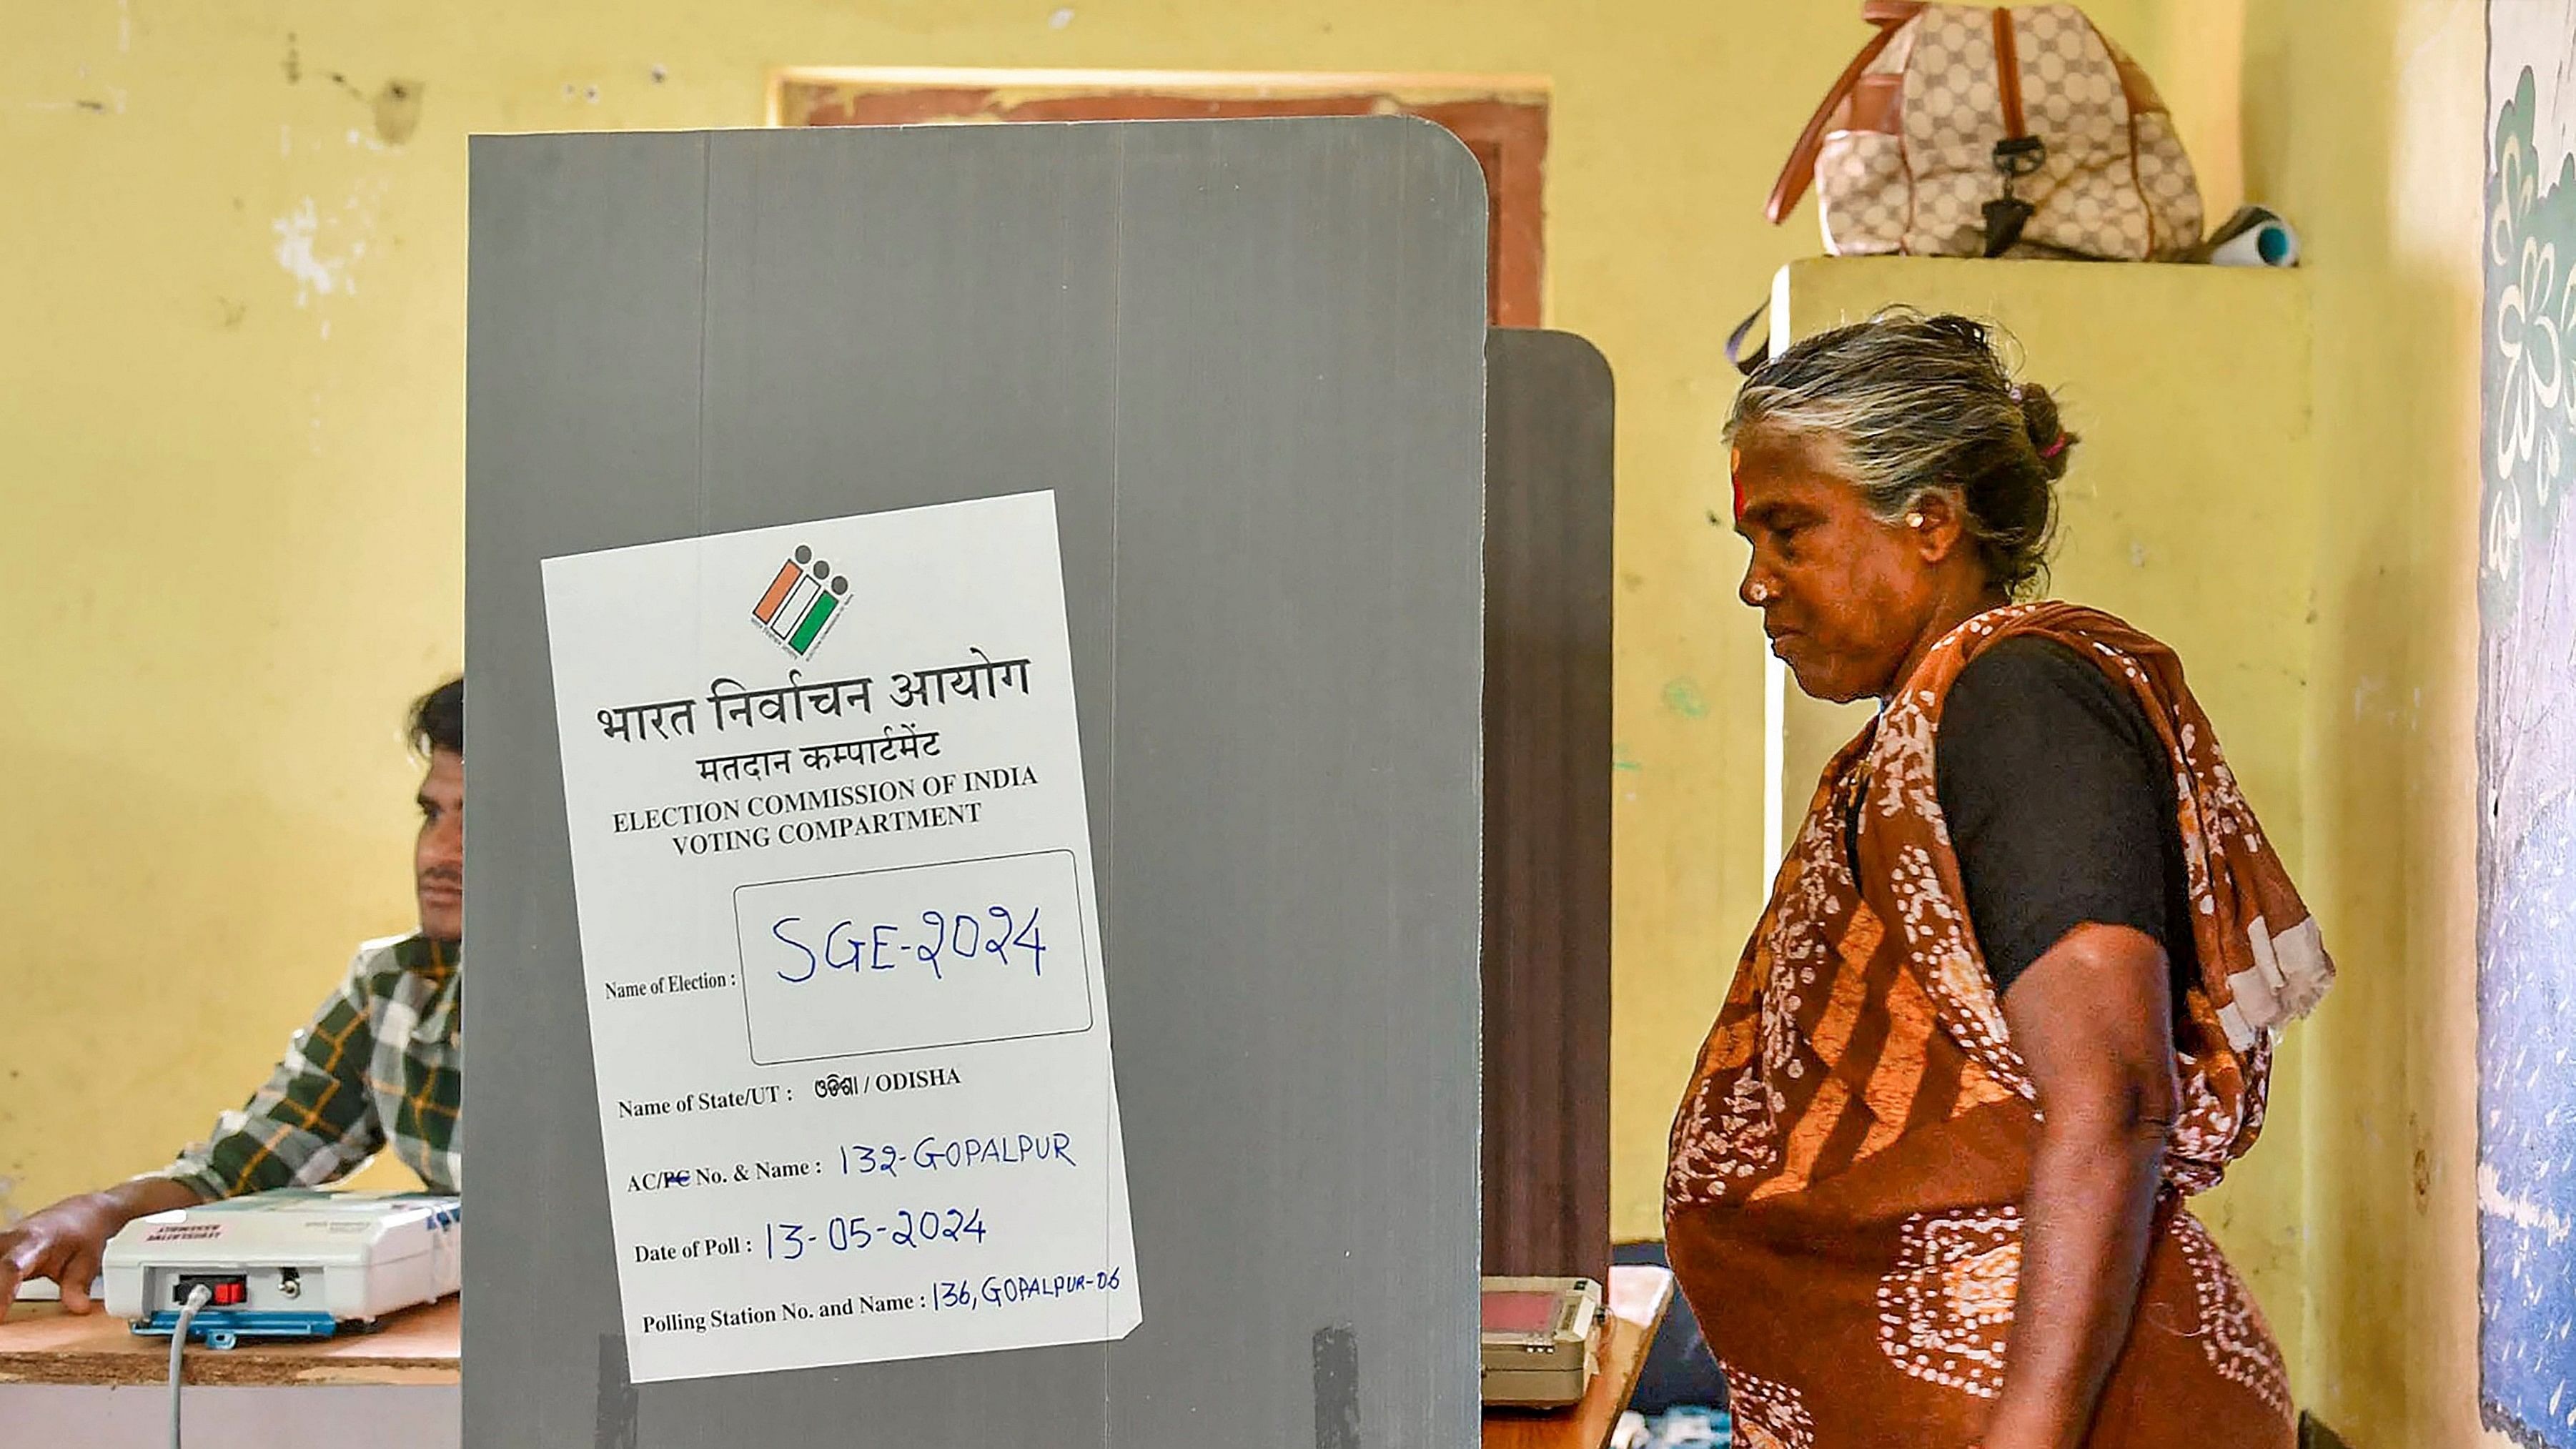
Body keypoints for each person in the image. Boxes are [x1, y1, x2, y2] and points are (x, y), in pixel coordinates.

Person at [1665, 313, 2332, 1449]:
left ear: (1930, 521)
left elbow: (2115, 1093)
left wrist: (2027, 1435)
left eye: (1788, 531)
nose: (1756, 583)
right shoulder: (1920, 735)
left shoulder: (2019, 698)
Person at [0, 677, 465, 1315]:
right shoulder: (396, 988)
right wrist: (98, 1213)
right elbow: (241, 1169)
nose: (439, 852)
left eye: (482, 818)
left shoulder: (631, 994)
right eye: (432, 814)